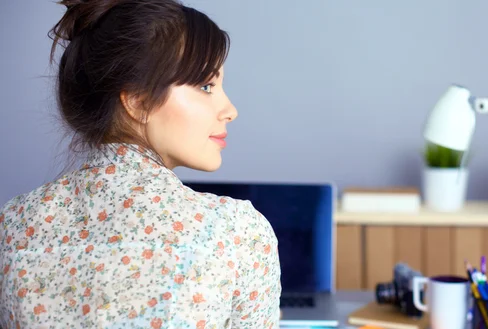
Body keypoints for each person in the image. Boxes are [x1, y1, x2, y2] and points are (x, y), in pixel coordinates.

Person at [0, 0, 281, 328]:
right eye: (206, 86)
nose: (230, 109)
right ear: (138, 101)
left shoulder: (12, 226)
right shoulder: (238, 232)